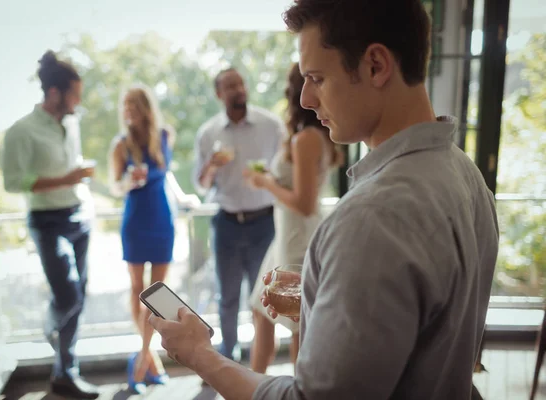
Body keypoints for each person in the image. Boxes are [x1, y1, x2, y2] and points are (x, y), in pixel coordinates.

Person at [148, 1, 500, 399]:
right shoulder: (467, 176)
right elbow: (431, 328)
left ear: (376, 65)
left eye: (316, 77)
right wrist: (328, 293)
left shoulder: (372, 219)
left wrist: (200, 355)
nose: (306, 100)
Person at [2, 50, 99, 399]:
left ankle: (65, 374)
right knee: (68, 294)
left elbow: (70, 168)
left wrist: (77, 177)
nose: (78, 102)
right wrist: (66, 178)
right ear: (55, 93)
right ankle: (49, 326)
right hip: (47, 221)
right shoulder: (21, 131)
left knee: (80, 298)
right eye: (74, 95)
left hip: (79, 215)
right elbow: (13, 181)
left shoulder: (72, 123)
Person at [244, 62, 341, 373]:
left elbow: (304, 203)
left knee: (300, 321)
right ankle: (253, 388)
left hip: (298, 236)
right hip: (285, 233)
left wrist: (266, 183)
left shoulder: (306, 139)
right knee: (261, 309)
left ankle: (301, 388)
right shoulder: (307, 135)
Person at [108, 84, 199, 393]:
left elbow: (166, 172)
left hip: (162, 215)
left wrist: (183, 196)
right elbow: (114, 187)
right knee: (137, 289)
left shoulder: (165, 136)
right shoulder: (120, 145)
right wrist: (127, 182)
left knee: (156, 292)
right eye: (126, 106)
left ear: (146, 108)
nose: (129, 111)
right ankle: (151, 361)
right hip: (135, 217)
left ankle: (142, 359)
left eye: (134, 105)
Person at [192, 67, 284, 361]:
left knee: (263, 297)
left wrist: (268, 177)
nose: (238, 90)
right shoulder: (208, 133)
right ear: (220, 94)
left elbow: (286, 173)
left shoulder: (271, 126)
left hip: (264, 223)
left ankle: (259, 359)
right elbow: (201, 184)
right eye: (230, 86)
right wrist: (211, 165)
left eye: (241, 83)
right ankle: (227, 355)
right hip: (227, 224)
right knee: (228, 298)